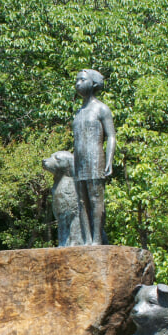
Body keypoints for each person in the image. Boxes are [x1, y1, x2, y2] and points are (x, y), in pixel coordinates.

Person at [71, 69, 116, 245]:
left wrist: (109, 160)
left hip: (95, 158)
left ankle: (97, 239)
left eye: (82, 80)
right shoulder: (79, 112)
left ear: (94, 83)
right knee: (82, 201)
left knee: (96, 200)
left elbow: (111, 136)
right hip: (79, 160)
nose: (78, 83)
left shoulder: (101, 109)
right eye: (77, 80)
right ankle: (86, 239)